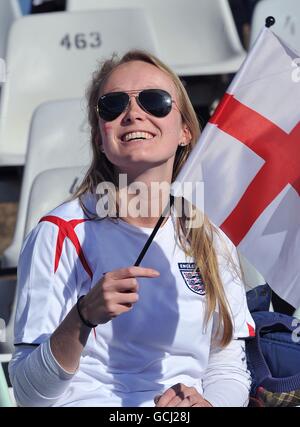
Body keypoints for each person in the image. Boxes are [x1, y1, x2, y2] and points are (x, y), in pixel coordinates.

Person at [9, 50, 255, 407]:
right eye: (113, 105)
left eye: (155, 101)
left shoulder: (212, 236)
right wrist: (82, 317)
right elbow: (30, 396)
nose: (134, 113)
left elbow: (226, 365)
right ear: (100, 137)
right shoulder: (60, 232)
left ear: (185, 130)